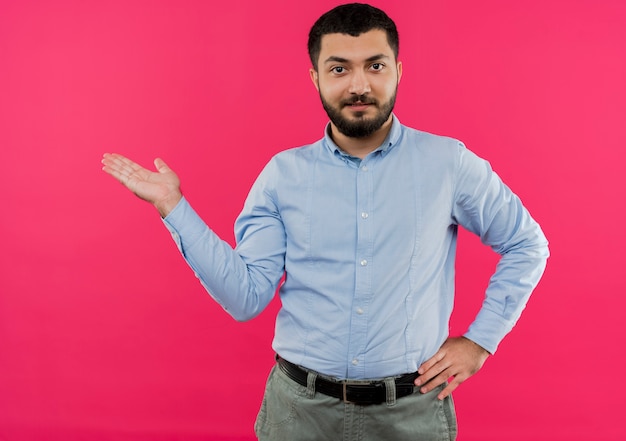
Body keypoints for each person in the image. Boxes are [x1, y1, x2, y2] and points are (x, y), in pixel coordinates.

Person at [102, 3, 549, 440]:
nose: (359, 85)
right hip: (299, 415)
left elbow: (527, 244)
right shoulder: (283, 175)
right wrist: (173, 205)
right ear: (315, 77)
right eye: (339, 69)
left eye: (375, 66)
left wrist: (481, 341)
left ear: (398, 69)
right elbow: (246, 296)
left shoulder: (448, 163)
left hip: (411, 416)